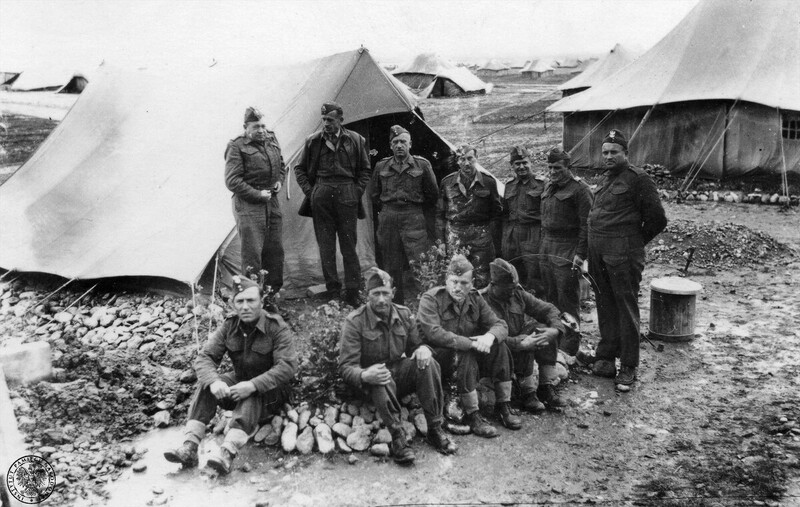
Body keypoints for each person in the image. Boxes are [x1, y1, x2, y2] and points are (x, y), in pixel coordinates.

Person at [164, 276, 297, 474]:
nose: (245, 306)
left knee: (253, 393)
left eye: (251, 300)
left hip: (272, 392)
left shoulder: (276, 327)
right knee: (207, 383)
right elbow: (205, 357)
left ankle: (227, 452)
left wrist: (252, 385)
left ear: (261, 302)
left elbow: (287, 366)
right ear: (233, 304)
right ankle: (190, 446)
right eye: (240, 301)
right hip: (240, 382)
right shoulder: (230, 325)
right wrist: (214, 382)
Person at [339, 268, 457, 464]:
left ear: (393, 292)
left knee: (428, 363)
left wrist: (422, 349)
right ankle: (398, 438)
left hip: (396, 373)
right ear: (367, 295)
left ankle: (435, 429)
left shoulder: (404, 314)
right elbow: (345, 366)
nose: (381, 299)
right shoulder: (355, 322)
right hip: (370, 382)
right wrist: (364, 375)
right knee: (381, 375)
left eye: (385, 293)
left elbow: (416, 345)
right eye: (376, 294)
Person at [584, 130, 667, 391]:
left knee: (625, 306)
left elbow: (657, 219)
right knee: (604, 304)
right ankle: (606, 357)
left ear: (626, 153)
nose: (608, 156)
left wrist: (632, 242)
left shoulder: (638, 179)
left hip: (623, 254)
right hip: (598, 252)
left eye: (614, 152)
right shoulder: (605, 178)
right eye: (605, 152)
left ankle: (629, 365)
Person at [417, 254, 519, 438]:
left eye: (464, 283)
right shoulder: (431, 299)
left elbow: (500, 325)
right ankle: (473, 414)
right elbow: (435, 334)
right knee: (465, 352)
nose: (458, 287)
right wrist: (472, 343)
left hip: (466, 358)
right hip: (437, 359)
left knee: (499, 345)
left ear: (472, 284)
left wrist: (489, 337)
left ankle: (504, 406)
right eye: (454, 282)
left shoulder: (475, 299)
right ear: (446, 280)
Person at [294, 101, 372, 307]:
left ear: (341, 120)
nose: (326, 124)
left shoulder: (355, 139)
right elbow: (299, 169)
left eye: (330, 120)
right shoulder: (313, 141)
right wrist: (311, 192)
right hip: (322, 195)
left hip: (347, 194)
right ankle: (333, 291)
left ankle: (353, 291)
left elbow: (365, 170)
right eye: (324, 120)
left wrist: (356, 191)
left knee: (349, 245)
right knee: (326, 246)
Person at [480, 258, 566, 412]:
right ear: (493, 284)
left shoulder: (517, 295)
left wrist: (554, 330)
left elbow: (548, 310)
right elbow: (484, 339)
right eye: (508, 289)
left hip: (517, 349)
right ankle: (526, 392)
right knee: (507, 343)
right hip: (493, 355)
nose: (512, 292)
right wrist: (519, 344)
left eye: (514, 288)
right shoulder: (481, 301)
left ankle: (545, 386)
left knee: (542, 330)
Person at [370, 125, 439, 304]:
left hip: (413, 216)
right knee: (391, 264)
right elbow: (374, 194)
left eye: (403, 142)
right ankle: (395, 305)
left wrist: (415, 208)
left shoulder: (422, 165)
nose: (399, 145)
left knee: (419, 261)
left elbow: (433, 194)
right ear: (390, 145)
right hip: (389, 217)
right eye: (395, 142)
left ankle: (427, 305)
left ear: (410, 144)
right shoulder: (381, 166)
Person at [224, 107, 286, 293]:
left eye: (263, 126)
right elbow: (232, 180)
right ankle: (252, 298)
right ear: (246, 127)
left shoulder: (271, 139)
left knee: (275, 252)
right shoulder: (236, 146)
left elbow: (281, 165)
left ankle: (271, 297)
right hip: (248, 205)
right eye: (256, 127)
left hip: (271, 202)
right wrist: (257, 195)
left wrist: (279, 181)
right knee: (253, 256)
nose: (261, 130)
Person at [539, 147, 593, 356]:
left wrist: (580, 255)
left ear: (568, 167)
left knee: (567, 301)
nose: (553, 171)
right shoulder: (548, 186)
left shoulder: (580, 190)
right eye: (550, 167)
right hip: (547, 248)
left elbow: (586, 225)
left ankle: (569, 348)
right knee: (550, 299)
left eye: (558, 168)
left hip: (567, 249)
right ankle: (555, 341)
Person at [436, 145, 503, 289]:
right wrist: (441, 241)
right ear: (457, 161)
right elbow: (440, 214)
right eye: (462, 159)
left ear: (476, 158)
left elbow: (496, 213)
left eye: (470, 158)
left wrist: (490, 236)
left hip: (481, 236)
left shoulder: (489, 182)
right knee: (457, 276)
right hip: (455, 236)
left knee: (483, 277)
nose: (466, 163)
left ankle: (480, 302)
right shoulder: (447, 183)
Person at [501, 145, 545, 293]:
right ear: (512, 165)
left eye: (524, 163)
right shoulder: (509, 185)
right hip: (512, 235)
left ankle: (537, 303)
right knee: (514, 273)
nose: (521, 167)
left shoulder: (542, 184)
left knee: (535, 274)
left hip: (533, 233)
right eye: (517, 164)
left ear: (531, 162)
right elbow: (505, 213)